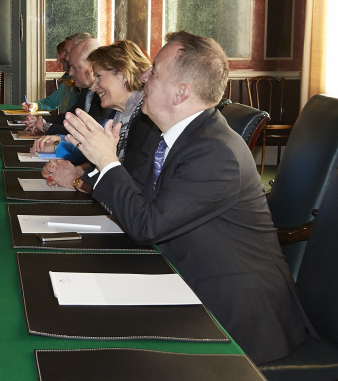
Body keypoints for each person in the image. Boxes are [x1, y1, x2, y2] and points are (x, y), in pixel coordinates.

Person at [63, 31, 311, 365]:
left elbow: (147, 225)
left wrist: (107, 162)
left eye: (155, 72)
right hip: (188, 279)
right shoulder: (178, 137)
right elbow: (143, 202)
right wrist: (99, 164)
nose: (145, 76)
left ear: (182, 93)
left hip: (237, 317)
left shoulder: (214, 152)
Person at [42, 40, 155, 189]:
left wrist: (75, 181)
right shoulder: (122, 114)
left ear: (123, 73)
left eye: (99, 76)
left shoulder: (146, 121)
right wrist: (76, 170)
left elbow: (128, 185)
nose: (94, 87)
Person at [28, 37, 115, 146]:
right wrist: (41, 120)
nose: (70, 73)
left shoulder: (106, 95)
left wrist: (47, 127)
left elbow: (87, 133)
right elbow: (70, 116)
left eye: (75, 67)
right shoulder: (86, 90)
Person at [21, 33, 92, 113]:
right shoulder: (67, 80)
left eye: (66, 53)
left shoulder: (88, 88)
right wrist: (35, 106)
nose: (61, 58)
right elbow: (51, 102)